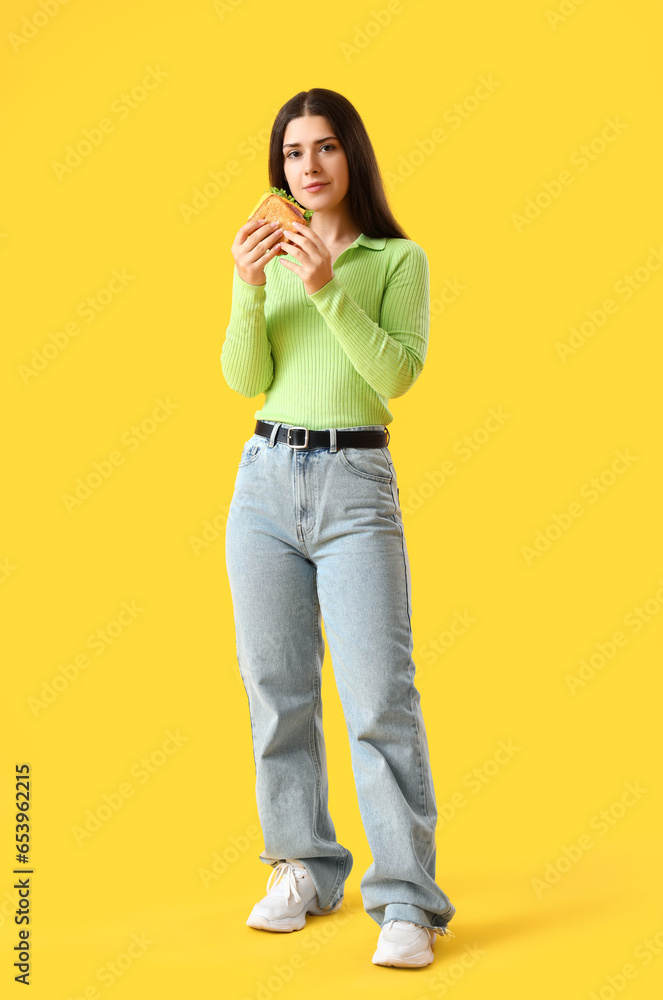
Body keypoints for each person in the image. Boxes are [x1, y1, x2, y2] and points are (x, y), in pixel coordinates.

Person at [221, 88, 456, 969]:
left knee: (378, 699)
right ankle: (303, 867)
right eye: (291, 153)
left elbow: (392, 375)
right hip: (264, 483)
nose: (307, 167)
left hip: (356, 483)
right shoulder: (268, 259)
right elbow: (245, 378)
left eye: (323, 148)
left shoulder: (398, 259)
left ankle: (406, 898)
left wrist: (324, 287)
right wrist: (250, 286)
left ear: (351, 155)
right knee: (275, 690)